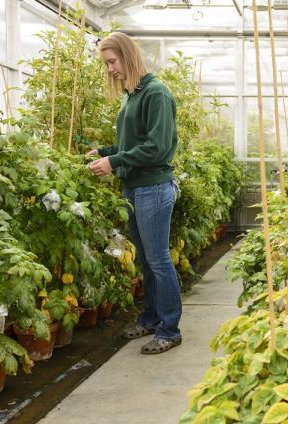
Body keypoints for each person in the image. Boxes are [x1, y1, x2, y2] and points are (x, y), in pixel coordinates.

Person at [87, 32, 182, 354]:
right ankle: (152, 318)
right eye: (107, 64)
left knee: (158, 260)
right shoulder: (133, 95)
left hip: (154, 187)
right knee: (146, 259)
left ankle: (170, 329)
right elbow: (134, 145)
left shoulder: (156, 93)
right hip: (135, 187)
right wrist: (104, 151)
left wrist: (114, 161)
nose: (110, 69)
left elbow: (156, 148)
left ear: (128, 56)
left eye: (112, 62)